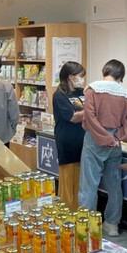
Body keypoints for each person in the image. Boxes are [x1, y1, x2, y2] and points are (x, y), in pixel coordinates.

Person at [78, 59, 127, 237]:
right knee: (114, 184)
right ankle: (112, 225)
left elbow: (90, 117)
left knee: (89, 184)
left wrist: (103, 137)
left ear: (105, 71)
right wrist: (116, 137)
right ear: (121, 76)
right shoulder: (126, 95)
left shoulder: (92, 89)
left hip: (94, 139)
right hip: (115, 141)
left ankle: (88, 226)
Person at [52, 61, 86, 211]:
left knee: (80, 181)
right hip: (67, 141)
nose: (82, 79)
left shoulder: (82, 93)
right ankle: (67, 213)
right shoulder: (60, 95)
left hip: (83, 141)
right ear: (71, 76)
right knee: (68, 180)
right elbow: (72, 117)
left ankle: (79, 211)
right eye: (80, 76)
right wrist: (91, 111)